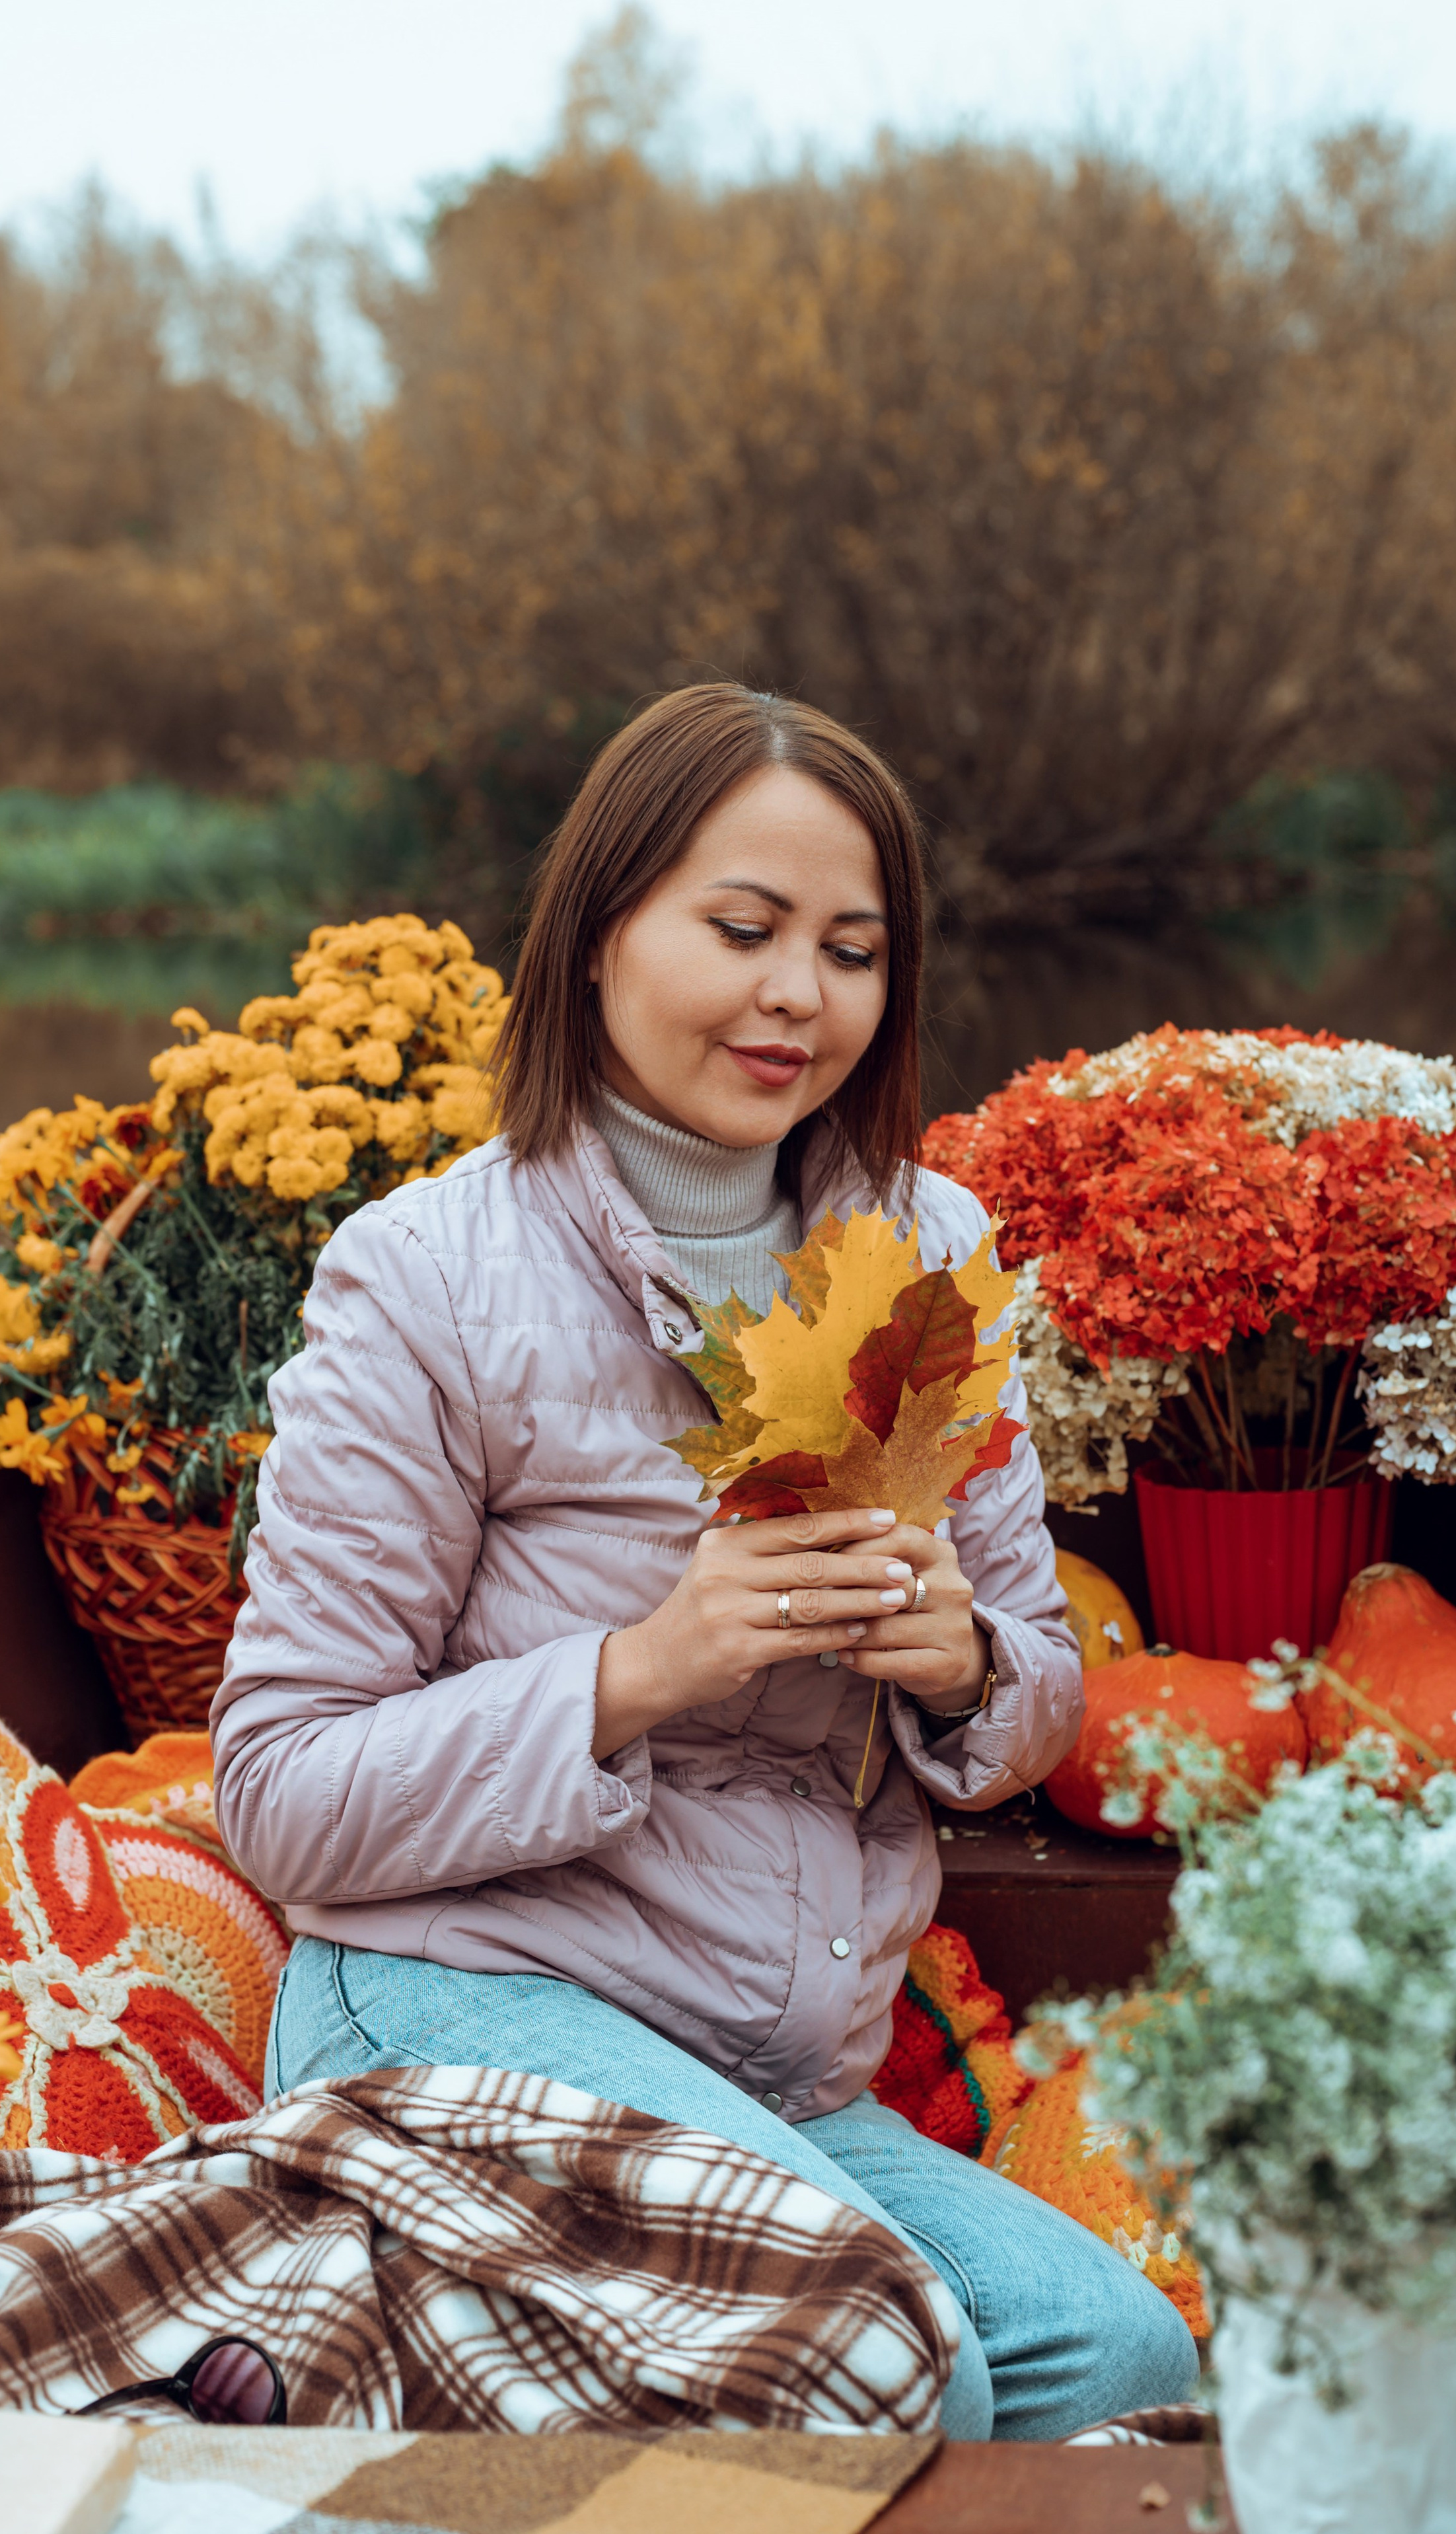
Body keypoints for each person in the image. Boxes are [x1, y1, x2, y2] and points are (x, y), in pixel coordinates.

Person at [211, 683, 1198, 2439]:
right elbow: (280, 1793)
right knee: (904, 2370)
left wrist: (960, 1660)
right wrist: (637, 1673)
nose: (797, 994)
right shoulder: (425, 1276)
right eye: (741, 928)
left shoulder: (924, 1245)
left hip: (774, 2070)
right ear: (599, 936)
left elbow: (1039, 1688)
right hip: (458, 1996)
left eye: (851, 946)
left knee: (1123, 2360)